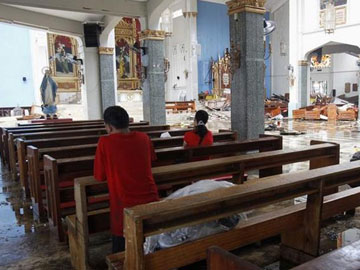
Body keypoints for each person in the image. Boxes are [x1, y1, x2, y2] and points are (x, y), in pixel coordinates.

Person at [94, 106, 159, 253]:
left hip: (123, 208)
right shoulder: (144, 138)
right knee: (149, 249)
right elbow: (151, 159)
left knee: (122, 253)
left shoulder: (104, 142)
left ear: (109, 127)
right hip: (151, 201)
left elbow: (99, 176)